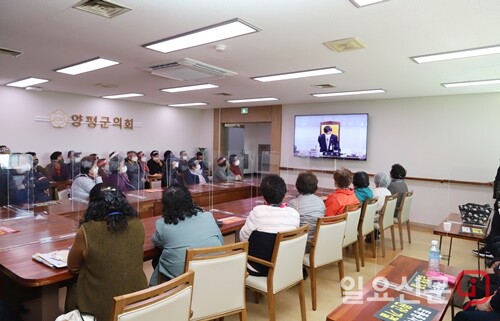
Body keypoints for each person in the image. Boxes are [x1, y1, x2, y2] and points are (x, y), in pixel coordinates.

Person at [66, 186, 147, 321]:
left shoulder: (86, 230)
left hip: (99, 311)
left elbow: (73, 267)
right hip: (136, 304)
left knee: (71, 290)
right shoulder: (138, 224)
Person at [150, 184, 223, 285]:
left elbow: (156, 241)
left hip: (183, 277)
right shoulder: (208, 216)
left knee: (158, 260)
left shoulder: (162, 224)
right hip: (213, 271)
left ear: (165, 205)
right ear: (190, 200)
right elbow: (221, 242)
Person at [239, 174, 300, 276]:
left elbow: (243, 238)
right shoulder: (294, 214)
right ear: (284, 194)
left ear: (263, 195)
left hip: (258, 267)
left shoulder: (257, 212)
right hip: (284, 265)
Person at [288, 171, 325, 252]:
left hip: (301, 244)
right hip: (318, 242)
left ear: (298, 186)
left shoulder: (293, 204)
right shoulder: (320, 202)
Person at [473, 166, 500, 259]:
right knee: (495, 227)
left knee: (496, 228)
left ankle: (490, 250)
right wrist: (494, 183)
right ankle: (489, 247)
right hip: (498, 201)